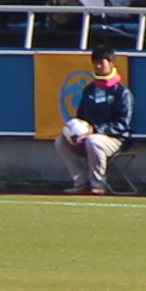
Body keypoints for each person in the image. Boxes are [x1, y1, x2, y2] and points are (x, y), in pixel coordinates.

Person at [57, 51, 132, 194]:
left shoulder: (122, 92)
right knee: (60, 142)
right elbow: (81, 116)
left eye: (102, 62)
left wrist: (95, 130)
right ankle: (81, 183)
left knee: (93, 141)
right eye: (95, 63)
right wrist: (75, 130)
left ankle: (97, 184)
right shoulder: (90, 89)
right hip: (88, 137)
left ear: (111, 63)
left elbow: (123, 125)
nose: (98, 66)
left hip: (114, 139)